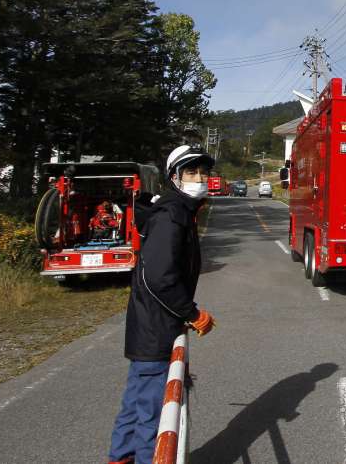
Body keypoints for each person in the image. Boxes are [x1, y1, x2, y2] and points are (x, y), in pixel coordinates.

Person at [108, 145, 217, 464]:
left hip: (151, 323)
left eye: (203, 172)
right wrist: (193, 313)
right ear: (174, 177)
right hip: (156, 326)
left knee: (136, 400)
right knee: (153, 413)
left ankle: (121, 457)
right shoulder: (172, 214)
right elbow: (160, 277)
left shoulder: (181, 210)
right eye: (191, 172)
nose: (199, 178)